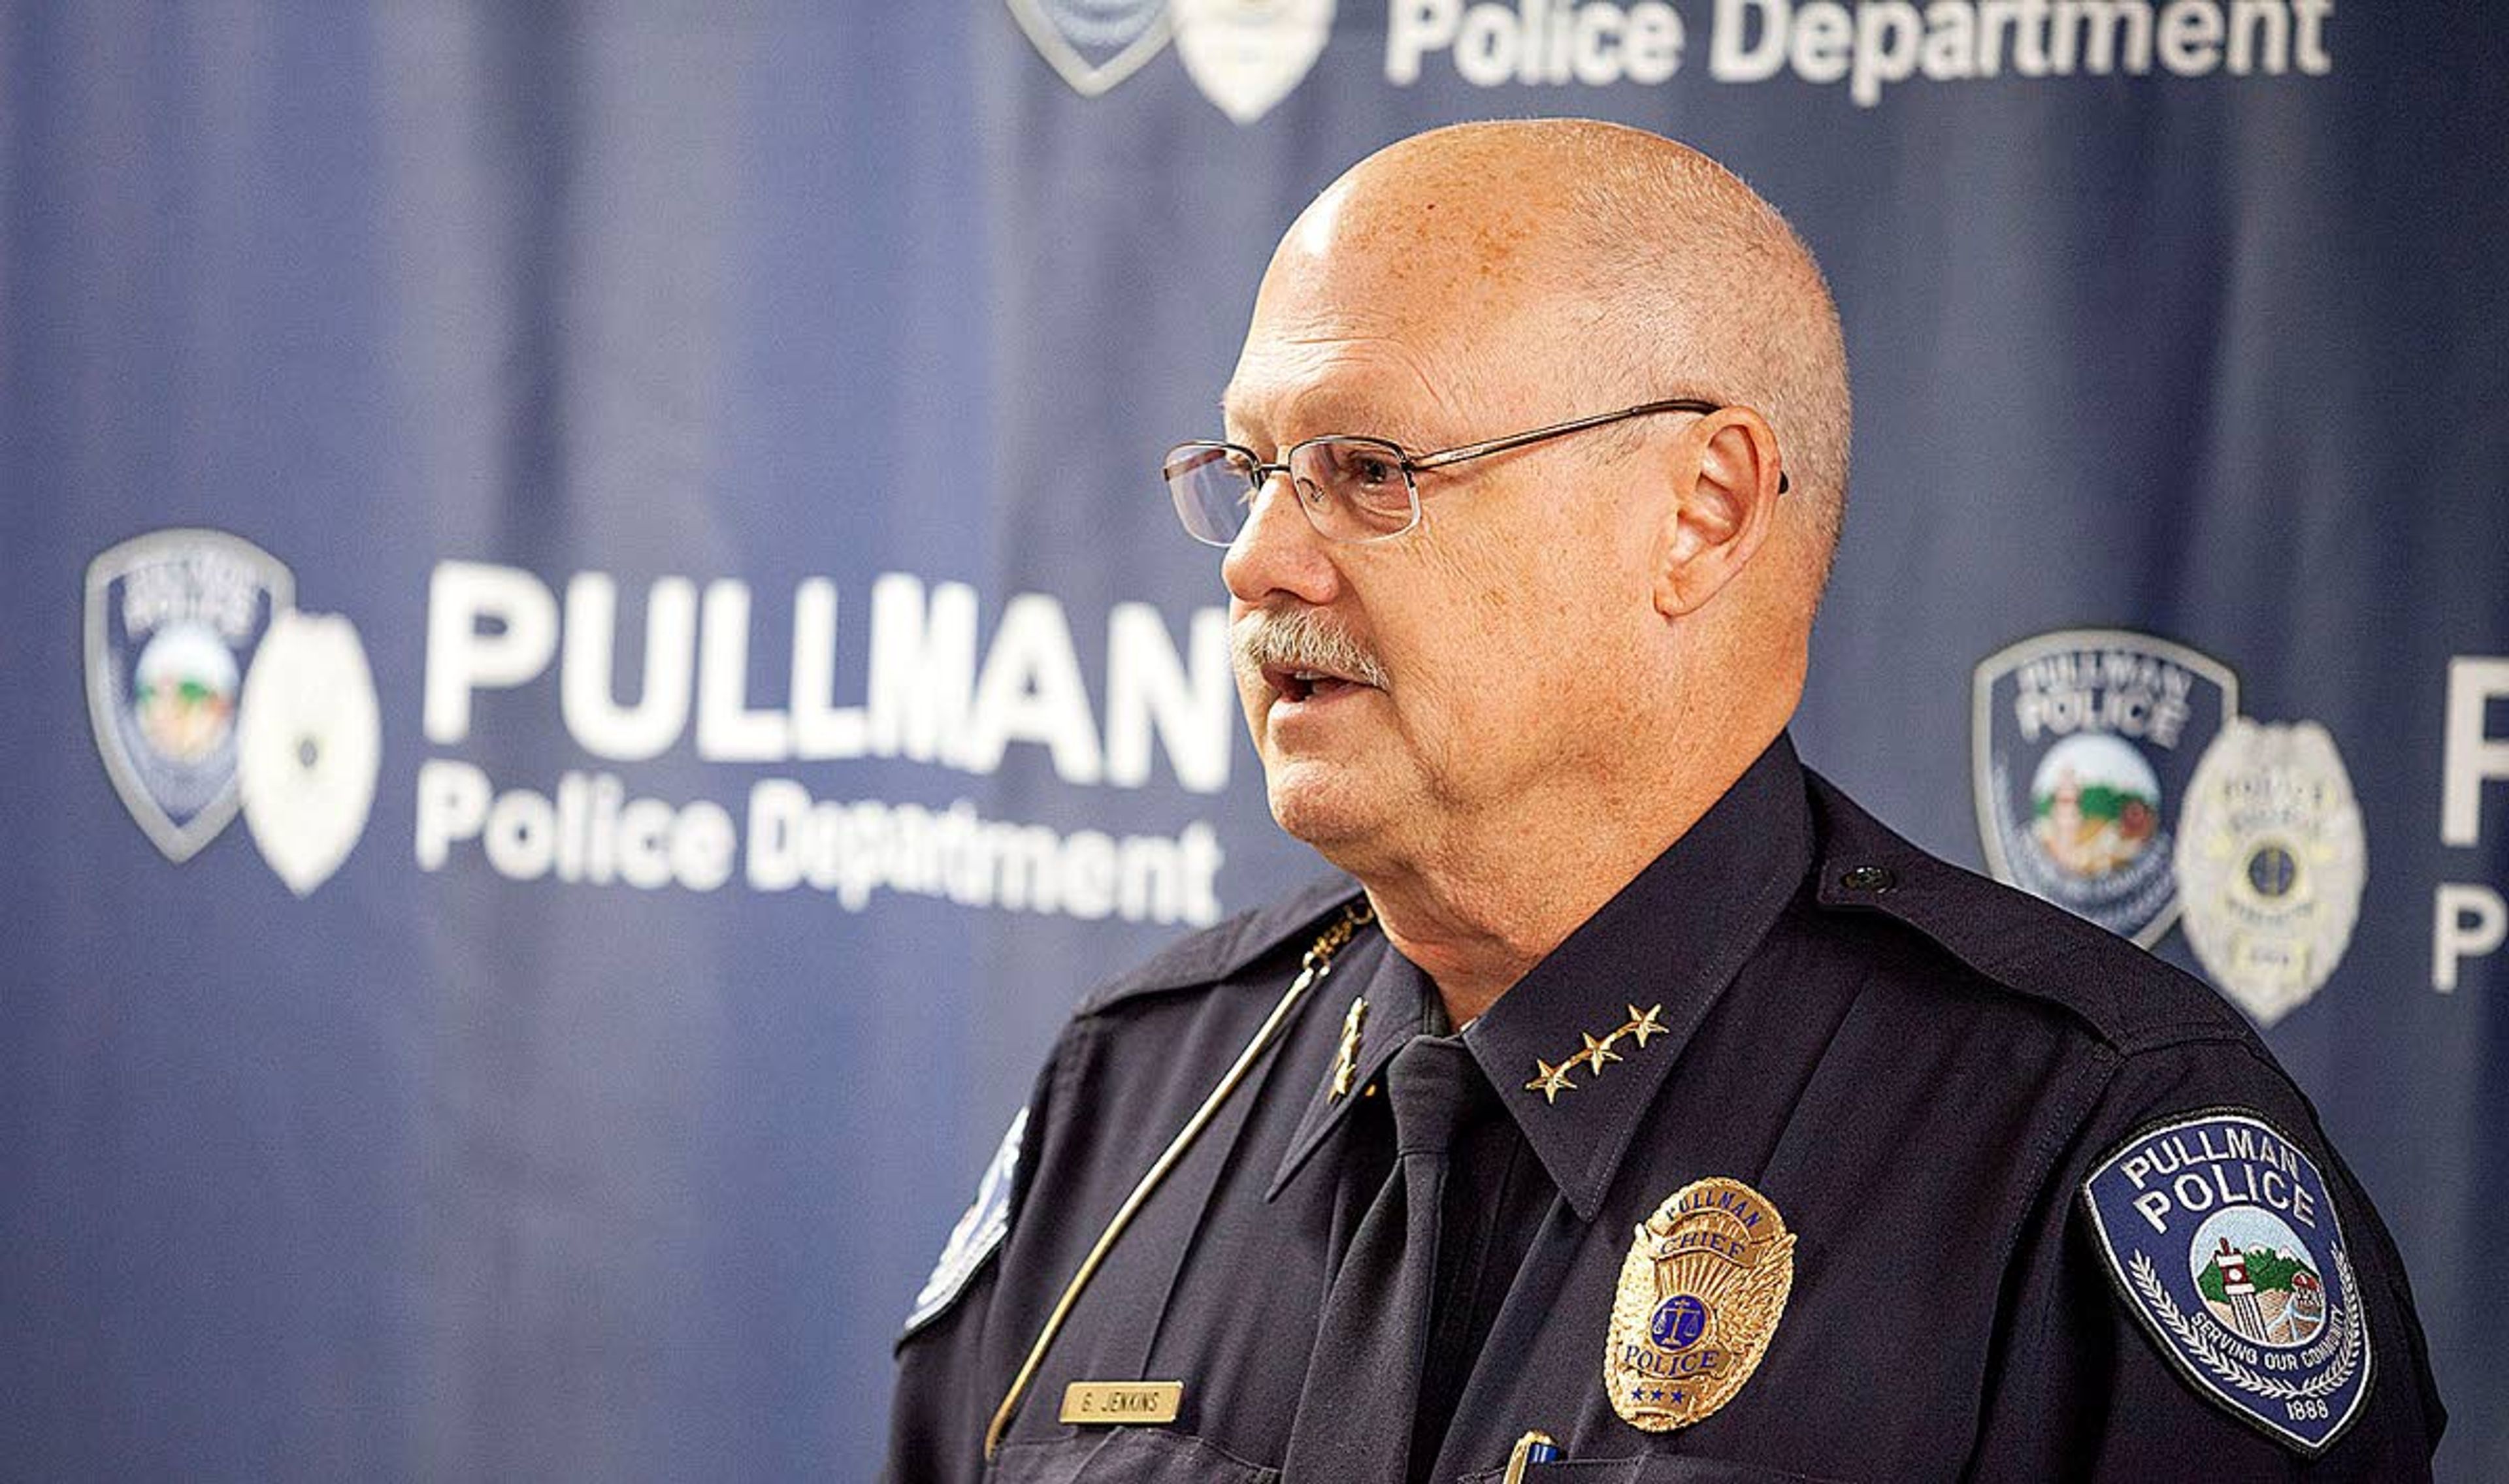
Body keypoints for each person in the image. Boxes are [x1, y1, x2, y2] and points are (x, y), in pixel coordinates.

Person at [884, 119, 2442, 1482]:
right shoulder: (1144, 1095)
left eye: (1366, 467)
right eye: (1252, 465)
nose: (1257, 559)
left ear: (1700, 515)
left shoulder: (2078, 1149)